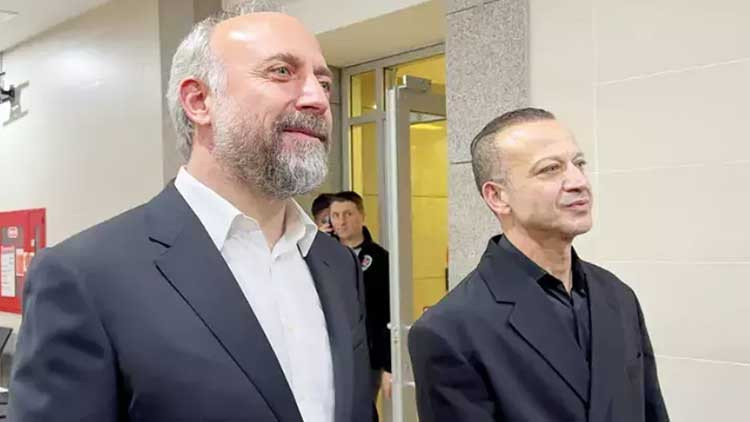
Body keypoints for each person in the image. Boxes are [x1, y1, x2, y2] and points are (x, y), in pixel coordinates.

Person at [9, 3, 373, 422]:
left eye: (324, 82)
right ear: (199, 101)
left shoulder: (336, 265)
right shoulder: (84, 277)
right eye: (281, 72)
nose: (317, 99)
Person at [408, 108, 669, 422]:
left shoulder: (616, 295)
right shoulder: (450, 330)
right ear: (497, 196)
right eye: (550, 169)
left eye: (579, 164)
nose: (578, 181)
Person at [330, 192, 391, 420]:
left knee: (362, 412)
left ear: (362, 216)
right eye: (335, 215)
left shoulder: (380, 259)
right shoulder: (322, 255)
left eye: (348, 214)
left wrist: (390, 365)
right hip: (331, 350)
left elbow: (387, 312)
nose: (341, 221)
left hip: (367, 354)